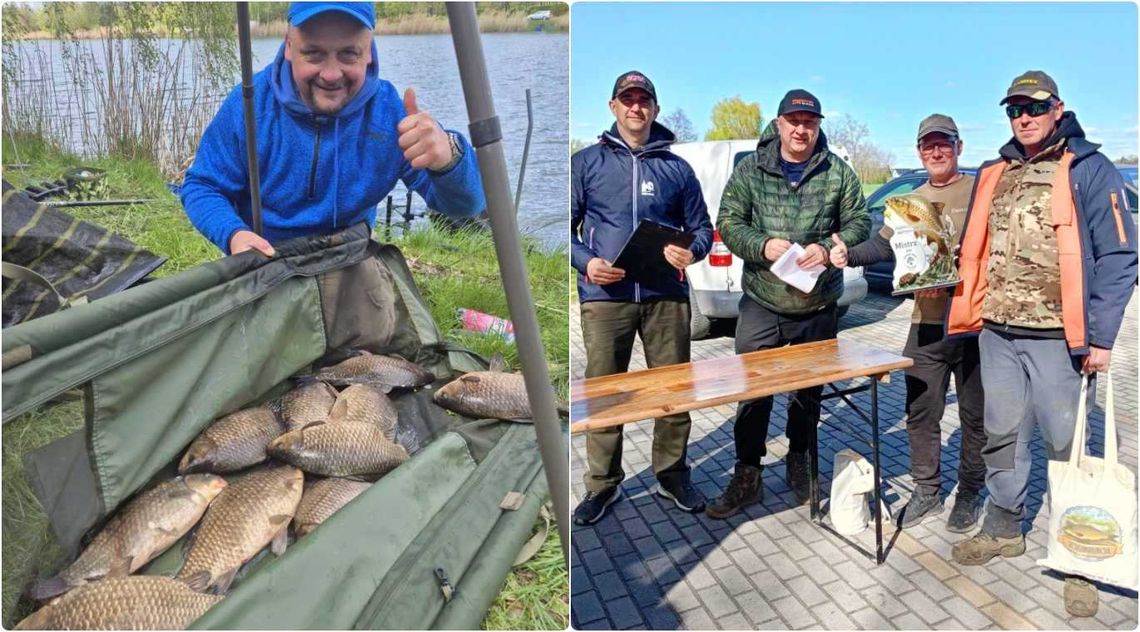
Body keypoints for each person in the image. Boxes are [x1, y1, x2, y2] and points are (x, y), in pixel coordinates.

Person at [945, 71, 1137, 617]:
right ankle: (1005, 525)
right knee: (1002, 433)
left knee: (1065, 443)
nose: (1023, 117)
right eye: (1014, 109)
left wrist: (1101, 337)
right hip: (998, 332)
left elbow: (1120, 257)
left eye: (1033, 107)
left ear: (1058, 108)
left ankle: (1079, 552)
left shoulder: (1089, 168)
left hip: (1059, 337)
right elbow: (969, 246)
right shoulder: (995, 171)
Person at [181, 2, 484, 256]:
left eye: (348, 54)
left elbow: (466, 205)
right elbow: (202, 186)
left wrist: (450, 160)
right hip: (265, 261)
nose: (330, 74)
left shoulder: (391, 112)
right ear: (289, 46)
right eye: (314, 53)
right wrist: (234, 234)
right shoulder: (250, 103)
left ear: (368, 51)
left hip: (349, 260)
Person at [706, 89, 870, 519]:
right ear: (779, 124)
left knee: (808, 394)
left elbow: (859, 221)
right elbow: (729, 221)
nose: (801, 129)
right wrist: (761, 245)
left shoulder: (837, 172)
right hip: (762, 301)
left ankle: (800, 459)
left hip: (817, 305)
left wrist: (828, 248)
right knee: (752, 392)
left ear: (818, 126)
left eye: (809, 122)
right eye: (793, 121)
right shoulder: (751, 169)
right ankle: (747, 472)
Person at [829, 115, 985, 532]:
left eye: (944, 143)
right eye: (928, 145)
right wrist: (849, 256)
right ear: (919, 151)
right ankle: (927, 490)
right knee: (920, 411)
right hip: (926, 324)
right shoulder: (909, 201)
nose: (936, 151)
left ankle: (970, 491)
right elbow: (884, 246)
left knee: (975, 416)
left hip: (973, 323)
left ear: (959, 146)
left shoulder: (979, 191)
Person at [570, 71, 713, 525]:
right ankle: (601, 484)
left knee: (673, 388)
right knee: (605, 392)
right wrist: (586, 262)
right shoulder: (586, 163)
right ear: (613, 106)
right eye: (627, 99)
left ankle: (672, 474)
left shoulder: (677, 168)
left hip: (665, 295)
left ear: (655, 108)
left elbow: (703, 229)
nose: (636, 107)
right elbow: (564, 229)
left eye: (644, 100)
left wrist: (691, 251)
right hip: (605, 295)